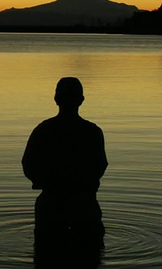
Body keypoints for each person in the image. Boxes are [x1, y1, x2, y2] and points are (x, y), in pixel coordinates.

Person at [22, 77, 108, 267]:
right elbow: (100, 166)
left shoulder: (43, 130)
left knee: (47, 257)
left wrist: (45, 181)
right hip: (84, 203)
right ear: (81, 100)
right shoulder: (92, 132)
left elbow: (28, 164)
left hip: (52, 204)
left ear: (56, 99)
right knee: (89, 256)